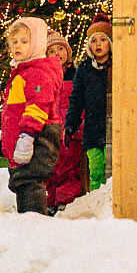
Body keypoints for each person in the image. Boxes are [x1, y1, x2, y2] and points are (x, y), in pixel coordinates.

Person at [2, 17, 62, 215]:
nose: (18, 46)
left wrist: (27, 137)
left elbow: (38, 107)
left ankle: (34, 225)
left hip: (38, 138)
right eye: (14, 41)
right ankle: (28, 224)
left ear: (36, 43)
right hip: (25, 137)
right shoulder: (23, 72)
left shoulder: (37, 74)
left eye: (24, 41)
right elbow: (15, 112)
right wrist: (7, 137)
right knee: (22, 182)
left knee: (29, 182)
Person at [64, 14, 112, 192]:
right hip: (93, 130)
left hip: (113, 129)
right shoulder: (84, 70)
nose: (98, 45)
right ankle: (97, 201)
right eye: (94, 41)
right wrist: (71, 124)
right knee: (96, 170)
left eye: (103, 40)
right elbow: (76, 99)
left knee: (112, 170)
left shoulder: (116, 67)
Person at [45, 29, 85, 212]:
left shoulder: (75, 75)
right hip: (50, 130)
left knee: (69, 168)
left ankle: (66, 201)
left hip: (71, 131)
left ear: (67, 52)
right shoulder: (44, 75)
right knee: (51, 168)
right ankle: (50, 201)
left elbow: (79, 102)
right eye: (51, 51)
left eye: (60, 49)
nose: (57, 54)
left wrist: (78, 125)